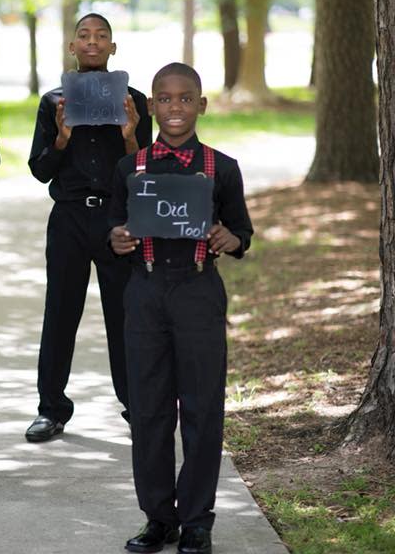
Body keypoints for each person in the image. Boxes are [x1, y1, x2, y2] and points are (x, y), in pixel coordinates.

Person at [109, 62, 253, 554]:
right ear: (152, 106)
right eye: (165, 99)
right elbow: (113, 227)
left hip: (197, 293)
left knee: (201, 408)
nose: (175, 108)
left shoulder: (222, 168)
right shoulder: (131, 168)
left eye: (185, 98)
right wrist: (118, 239)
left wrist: (230, 238)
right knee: (148, 410)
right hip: (145, 293)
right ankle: (158, 517)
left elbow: (242, 234)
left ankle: (196, 520)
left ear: (201, 105)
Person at [25, 13, 152, 442]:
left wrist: (131, 135)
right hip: (70, 219)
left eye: (101, 37)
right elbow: (39, 170)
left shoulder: (133, 100)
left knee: (125, 314)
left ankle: (136, 404)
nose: (92, 42)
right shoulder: (53, 101)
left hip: (118, 220)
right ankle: (51, 408)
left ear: (113, 48)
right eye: (84, 36)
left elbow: (148, 170)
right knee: (60, 312)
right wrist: (61, 138)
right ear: (72, 47)